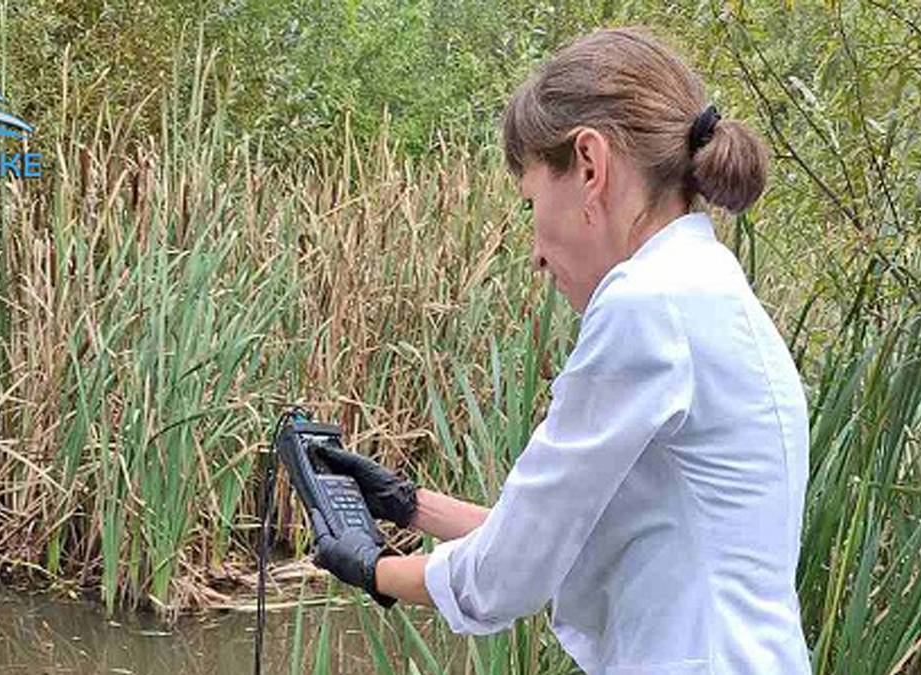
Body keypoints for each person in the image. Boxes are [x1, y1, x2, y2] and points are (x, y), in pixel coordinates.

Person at [306, 26, 813, 674]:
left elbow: (511, 573)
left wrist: (375, 569)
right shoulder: (709, 288)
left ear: (591, 166)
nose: (537, 254)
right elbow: (560, 535)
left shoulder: (646, 303)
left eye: (530, 203)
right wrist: (410, 505)